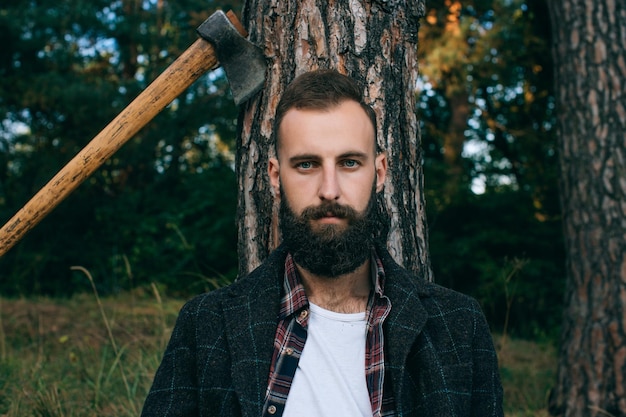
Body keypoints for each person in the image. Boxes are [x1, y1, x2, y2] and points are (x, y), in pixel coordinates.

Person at [141, 69, 504, 417]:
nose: (329, 190)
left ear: (378, 174)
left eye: (349, 163)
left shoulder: (459, 328)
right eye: (306, 164)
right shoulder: (205, 325)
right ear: (274, 176)